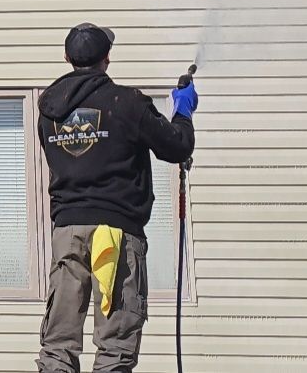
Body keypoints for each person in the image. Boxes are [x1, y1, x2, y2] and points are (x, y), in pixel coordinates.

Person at [36, 22, 198, 373]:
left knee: (57, 347)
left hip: (67, 233)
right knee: (115, 348)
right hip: (117, 234)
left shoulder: (48, 112)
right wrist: (183, 112)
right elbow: (176, 145)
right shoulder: (127, 103)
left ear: (67, 58)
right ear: (107, 58)